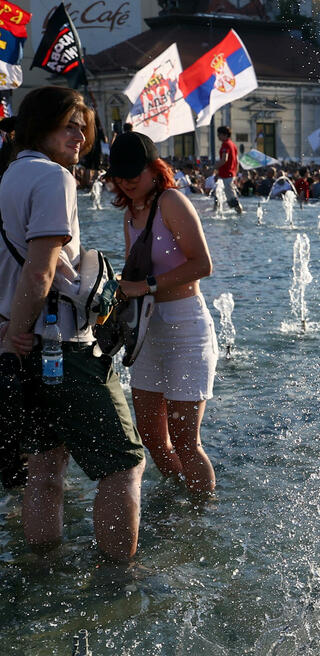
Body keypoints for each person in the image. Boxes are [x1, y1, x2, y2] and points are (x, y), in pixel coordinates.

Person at [0, 87, 145, 561]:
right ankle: (118, 585)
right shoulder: (53, 178)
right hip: (63, 345)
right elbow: (40, 269)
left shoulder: (8, 175)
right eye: (69, 124)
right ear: (40, 125)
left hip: (20, 342)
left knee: (44, 467)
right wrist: (17, 337)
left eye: (84, 126)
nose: (81, 134)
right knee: (124, 464)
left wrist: (8, 336)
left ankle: (42, 568)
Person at [107, 132, 218, 495]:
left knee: (187, 441)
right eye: (119, 175)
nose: (125, 180)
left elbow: (203, 264)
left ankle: (203, 516)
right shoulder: (130, 214)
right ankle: (179, 499)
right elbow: (135, 276)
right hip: (147, 330)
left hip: (185, 325)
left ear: (154, 169)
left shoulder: (171, 201)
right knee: (153, 440)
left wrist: (148, 285)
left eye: (132, 173)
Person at [216, 126, 243, 213]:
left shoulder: (225, 144)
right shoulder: (233, 145)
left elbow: (224, 159)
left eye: (219, 134)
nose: (218, 136)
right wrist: (235, 174)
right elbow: (237, 162)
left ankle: (240, 213)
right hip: (231, 174)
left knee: (232, 198)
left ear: (224, 134)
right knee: (227, 196)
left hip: (227, 175)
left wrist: (214, 167)